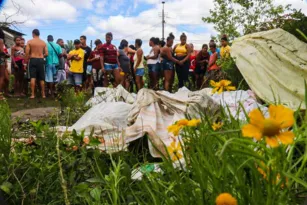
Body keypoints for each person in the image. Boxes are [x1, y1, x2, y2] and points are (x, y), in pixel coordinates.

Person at [25, 29, 48, 99]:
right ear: (39, 34)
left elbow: (27, 53)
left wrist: (27, 60)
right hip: (41, 60)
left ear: (33, 33)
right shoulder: (43, 42)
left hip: (33, 59)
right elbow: (47, 53)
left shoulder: (30, 42)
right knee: (41, 78)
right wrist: (41, 56)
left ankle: (32, 94)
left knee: (33, 77)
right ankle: (43, 94)